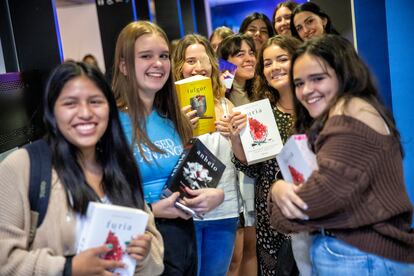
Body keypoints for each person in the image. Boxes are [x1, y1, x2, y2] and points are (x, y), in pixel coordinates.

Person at [0, 61, 164, 275]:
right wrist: (69, 268)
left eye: (95, 102)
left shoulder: (120, 165)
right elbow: (5, 262)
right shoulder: (23, 167)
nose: (86, 113)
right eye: (70, 103)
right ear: (52, 111)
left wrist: (144, 255)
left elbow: (155, 263)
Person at [269, 34, 414, 275]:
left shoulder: (347, 113)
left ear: (343, 74)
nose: (306, 90)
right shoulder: (354, 110)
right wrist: (279, 191)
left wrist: (276, 196)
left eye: (317, 78)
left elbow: (318, 200)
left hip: (359, 256)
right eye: (299, 83)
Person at [112, 21, 223, 276]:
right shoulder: (111, 124)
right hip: (141, 244)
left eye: (163, 56)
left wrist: (214, 195)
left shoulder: (173, 118)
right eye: (146, 56)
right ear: (124, 65)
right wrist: (152, 211)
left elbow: (190, 175)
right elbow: (97, 199)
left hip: (184, 240)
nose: (159, 63)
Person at [228, 35, 301, 276]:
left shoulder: (314, 108)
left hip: (311, 209)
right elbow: (250, 167)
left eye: (282, 59)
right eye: (267, 63)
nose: (274, 67)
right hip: (270, 214)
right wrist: (237, 138)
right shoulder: (261, 111)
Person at [172, 33, 242, 276]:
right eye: (191, 61)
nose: (198, 67)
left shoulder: (226, 105)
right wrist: (180, 131)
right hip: (184, 212)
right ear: (178, 66)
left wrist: (235, 135)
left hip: (224, 210)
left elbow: (242, 160)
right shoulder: (169, 111)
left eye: (204, 60)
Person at [217, 34, 258, 276]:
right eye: (239, 54)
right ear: (225, 62)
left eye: (251, 52)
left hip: (257, 175)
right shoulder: (223, 96)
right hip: (233, 179)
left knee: (251, 247)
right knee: (235, 256)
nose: (248, 58)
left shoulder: (261, 89)